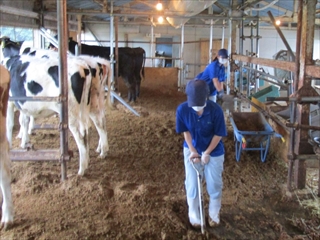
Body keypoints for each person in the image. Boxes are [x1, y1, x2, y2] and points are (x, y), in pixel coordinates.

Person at [176, 79, 227, 228]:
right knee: (192, 184)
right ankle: (194, 215)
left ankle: (213, 214)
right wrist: (193, 151)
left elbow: (218, 134)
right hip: (192, 149)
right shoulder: (182, 110)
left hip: (214, 150)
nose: (197, 109)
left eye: (200, 104)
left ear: (206, 97)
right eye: (194, 105)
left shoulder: (216, 110)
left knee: (214, 183)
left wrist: (207, 153)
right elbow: (186, 132)